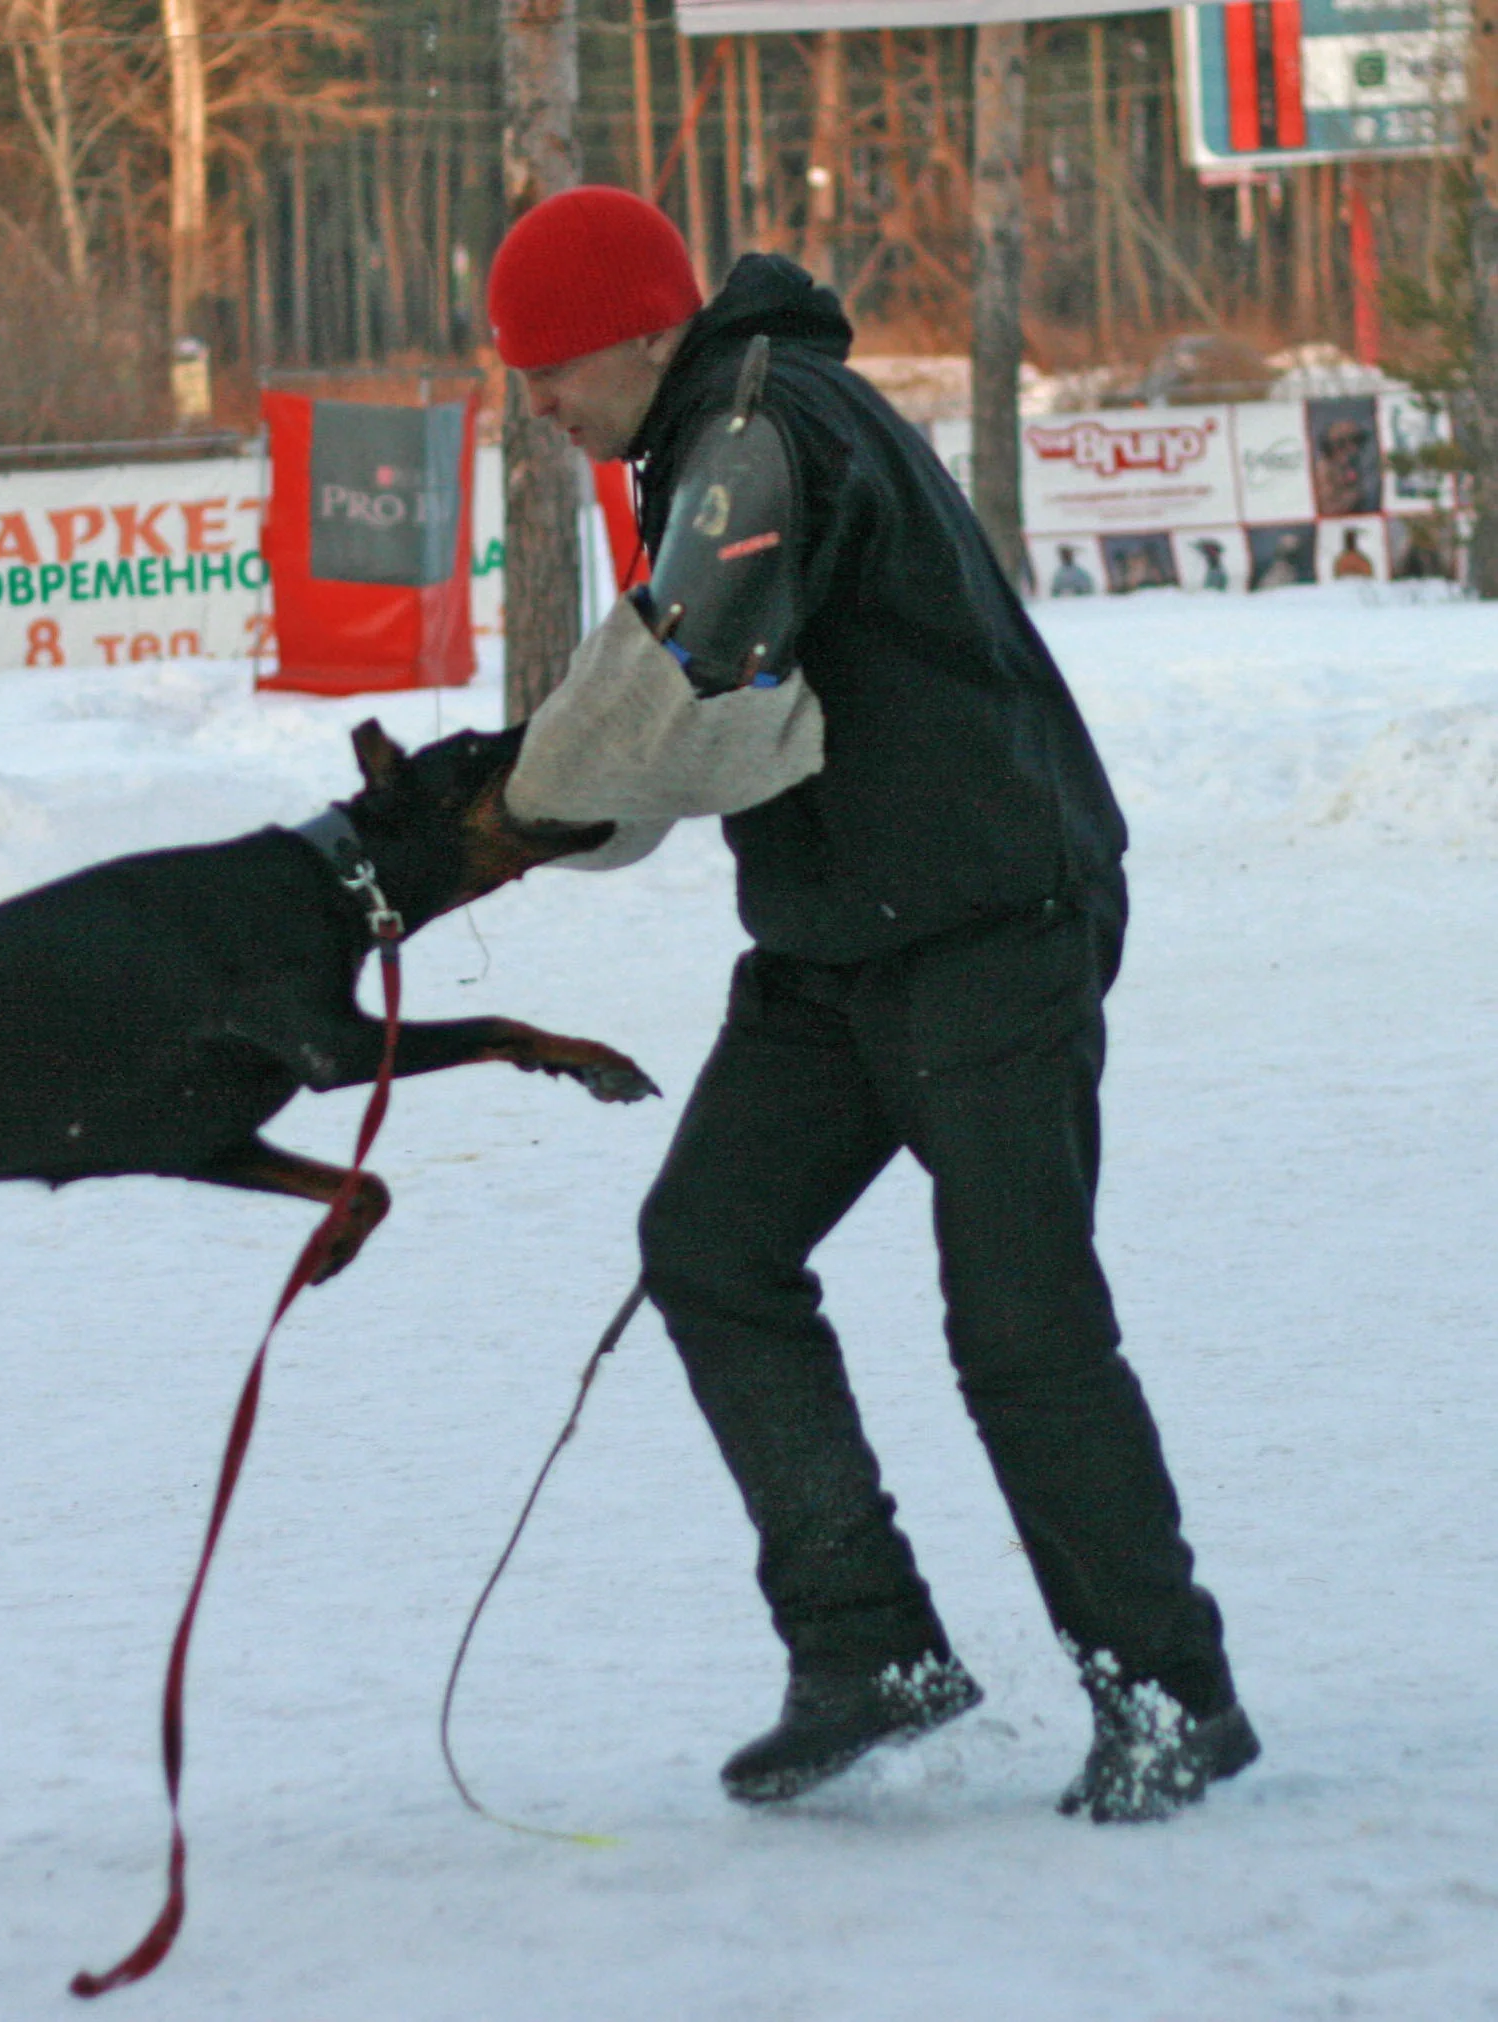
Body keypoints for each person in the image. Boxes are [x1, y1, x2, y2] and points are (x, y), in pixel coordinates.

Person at [488, 187, 1258, 1824]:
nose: (533, 401)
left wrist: (497, 814)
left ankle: (1167, 1694)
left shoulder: (761, 432)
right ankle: (866, 1644)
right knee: (710, 1241)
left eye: (548, 363)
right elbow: (678, 732)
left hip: (991, 920)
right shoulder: (701, 435)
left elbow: (660, 693)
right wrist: (518, 817)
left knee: (1019, 1323)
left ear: (643, 331)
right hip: (839, 941)